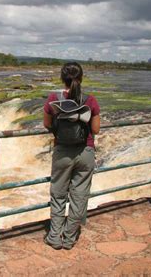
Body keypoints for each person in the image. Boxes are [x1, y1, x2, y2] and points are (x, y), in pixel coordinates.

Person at [43, 62, 100, 250]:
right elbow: (95, 129)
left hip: (62, 152)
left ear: (62, 78)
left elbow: (46, 124)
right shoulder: (90, 100)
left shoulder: (53, 98)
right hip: (85, 152)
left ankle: (54, 237)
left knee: (58, 195)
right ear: (81, 78)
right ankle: (69, 238)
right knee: (79, 196)